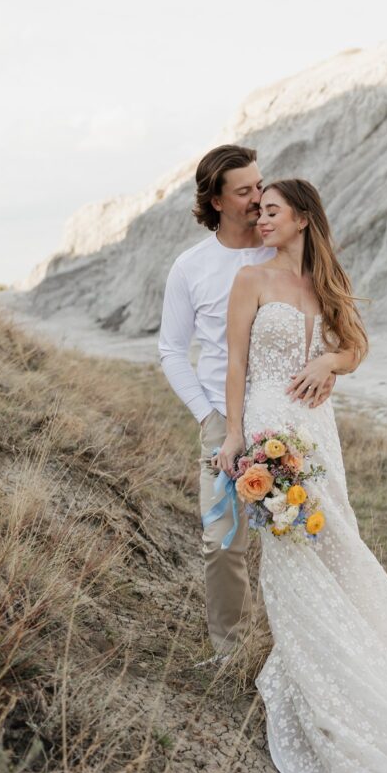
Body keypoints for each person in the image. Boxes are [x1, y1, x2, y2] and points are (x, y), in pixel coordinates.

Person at [220, 178, 387, 773]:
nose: (262, 222)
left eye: (272, 212)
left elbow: (355, 346)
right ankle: (317, 672)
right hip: (268, 428)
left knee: (338, 544)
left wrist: (330, 360)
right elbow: (234, 360)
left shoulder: (327, 282)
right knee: (290, 551)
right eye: (259, 214)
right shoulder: (250, 280)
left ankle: (372, 667)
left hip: (318, 430)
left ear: (304, 218)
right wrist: (234, 435)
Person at [157, 145, 335, 662]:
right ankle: (229, 652)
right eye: (245, 191)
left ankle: (303, 651)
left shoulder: (279, 249)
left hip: (291, 417)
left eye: (260, 186)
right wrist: (210, 416)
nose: (260, 198)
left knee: (304, 535)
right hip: (225, 420)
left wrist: (326, 365)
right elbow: (171, 350)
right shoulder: (190, 268)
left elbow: (328, 327)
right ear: (215, 200)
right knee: (222, 541)